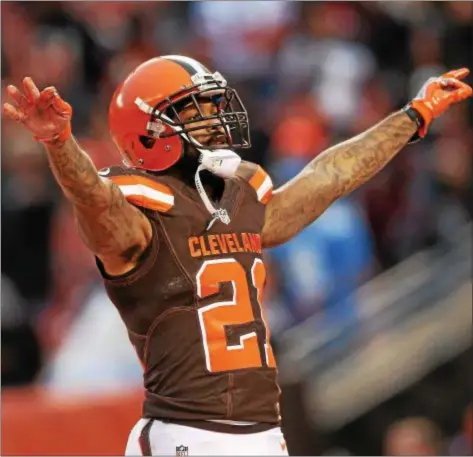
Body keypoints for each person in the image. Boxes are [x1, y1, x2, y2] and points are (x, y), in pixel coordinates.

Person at [3, 55, 471, 456]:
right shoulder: (138, 214)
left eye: (211, 105)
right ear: (149, 132)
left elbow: (331, 175)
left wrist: (412, 116)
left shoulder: (237, 200)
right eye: (195, 109)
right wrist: (61, 145)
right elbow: (95, 200)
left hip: (261, 431)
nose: (213, 118)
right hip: (189, 432)